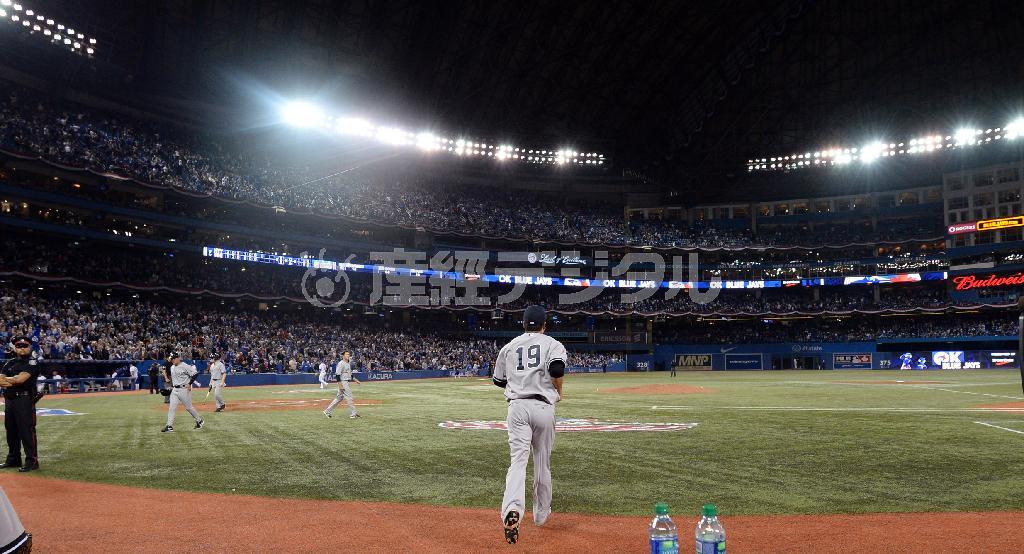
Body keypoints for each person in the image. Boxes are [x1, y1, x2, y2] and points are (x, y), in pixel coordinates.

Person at [493, 305, 566, 544]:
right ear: (545, 325)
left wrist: (519, 385)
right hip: (543, 407)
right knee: (542, 463)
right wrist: (559, 390)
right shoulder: (552, 344)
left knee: (518, 462)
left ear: (523, 324)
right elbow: (556, 368)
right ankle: (541, 514)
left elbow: (498, 381)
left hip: (517, 407)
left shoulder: (509, 346)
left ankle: (512, 509)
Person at [0, 336, 42, 472]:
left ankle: (32, 461)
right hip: (10, 400)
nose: (22, 348)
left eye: (25, 346)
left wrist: (10, 380)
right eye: (18, 346)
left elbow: (21, 379)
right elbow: (1, 381)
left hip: (24, 400)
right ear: (14, 347)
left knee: (26, 430)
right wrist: (14, 380)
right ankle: (13, 459)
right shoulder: (10, 362)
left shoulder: (33, 363)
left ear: (30, 347)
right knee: (11, 430)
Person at [161, 352, 203, 433]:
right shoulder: (172, 367)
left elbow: (195, 374)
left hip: (184, 390)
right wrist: (171, 387)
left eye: (173, 359)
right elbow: (175, 379)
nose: (172, 361)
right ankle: (169, 426)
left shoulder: (185, 366)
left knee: (189, 408)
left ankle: (199, 421)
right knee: (171, 408)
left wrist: (189, 383)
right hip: (175, 390)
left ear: (177, 358)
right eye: (171, 359)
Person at [324, 351, 360, 419]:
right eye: (346, 354)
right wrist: (340, 385)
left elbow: (349, 373)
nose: (348, 355)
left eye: (348, 354)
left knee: (339, 398)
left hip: (346, 382)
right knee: (349, 397)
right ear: (343, 356)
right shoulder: (341, 363)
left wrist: (355, 380)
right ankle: (353, 414)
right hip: (343, 382)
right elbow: (337, 375)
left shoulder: (348, 363)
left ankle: (327, 411)